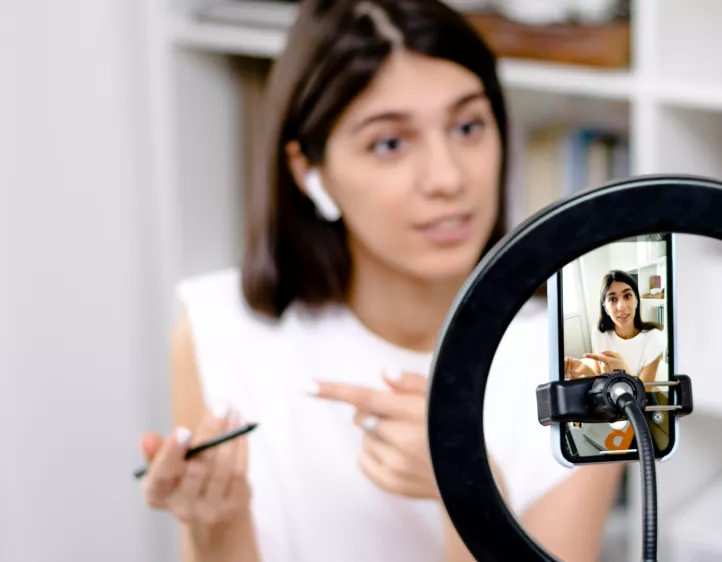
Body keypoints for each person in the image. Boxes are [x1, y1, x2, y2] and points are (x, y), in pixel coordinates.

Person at [135, 1, 623, 561]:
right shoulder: (219, 332)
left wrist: (466, 484)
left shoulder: (591, 355)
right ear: (309, 172)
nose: (447, 178)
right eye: (390, 143)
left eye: (468, 127)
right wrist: (217, 525)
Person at [565, 270, 664, 384]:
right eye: (612, 299)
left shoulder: (654, 338)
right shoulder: (598, 333)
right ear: (605, 308)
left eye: (627, 296)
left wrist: (623, 373)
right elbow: (599, 379)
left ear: (636, 300)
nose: (621, 306)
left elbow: (644, 392)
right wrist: (586, 371)